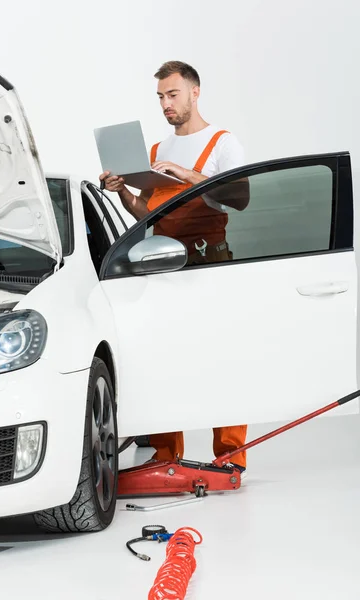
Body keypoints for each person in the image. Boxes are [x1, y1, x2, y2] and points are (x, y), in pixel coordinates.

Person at [99, 60, 249, 475]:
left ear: (195, 92)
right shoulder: (155, 152)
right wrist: (123, 191)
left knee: (220, 357)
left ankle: (230, 458)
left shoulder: (222, 142)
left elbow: (241, 197)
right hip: (162, 263)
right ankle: (166, 457)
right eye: (161, 97)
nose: (166, 104)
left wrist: (188, 174)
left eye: (173, 94)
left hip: (211, 260)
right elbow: (143, 215)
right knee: (165, 359)